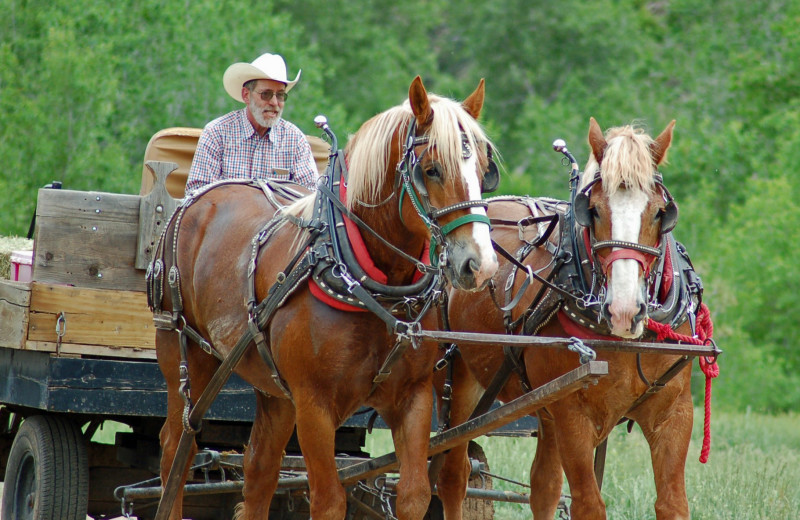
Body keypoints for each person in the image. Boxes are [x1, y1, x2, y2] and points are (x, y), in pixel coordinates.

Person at [185, 52, 318, 194]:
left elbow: (312, 197)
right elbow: (196, 196)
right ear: (246, 95)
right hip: (229, 216)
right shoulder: (217, 133)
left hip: (282, 216)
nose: (274, 102)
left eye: (280, 95)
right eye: (265, 94)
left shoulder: (295, 140)